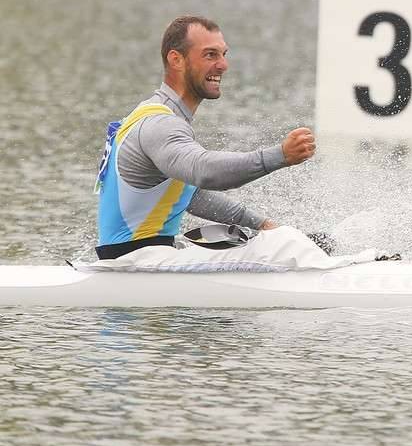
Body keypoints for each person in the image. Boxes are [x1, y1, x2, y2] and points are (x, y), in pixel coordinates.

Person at [93, 15, 330, 267]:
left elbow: (191, 196)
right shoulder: (159, 124)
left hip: (136, 255)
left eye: (223, 54)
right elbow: (204, 171)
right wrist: (280, 156)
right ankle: (345, 276)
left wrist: (262, 225)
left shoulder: (151, 113)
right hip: (139, 260)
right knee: (287, 244)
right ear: (176, 60)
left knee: (269, 237)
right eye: (210, 55)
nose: (223, 65)